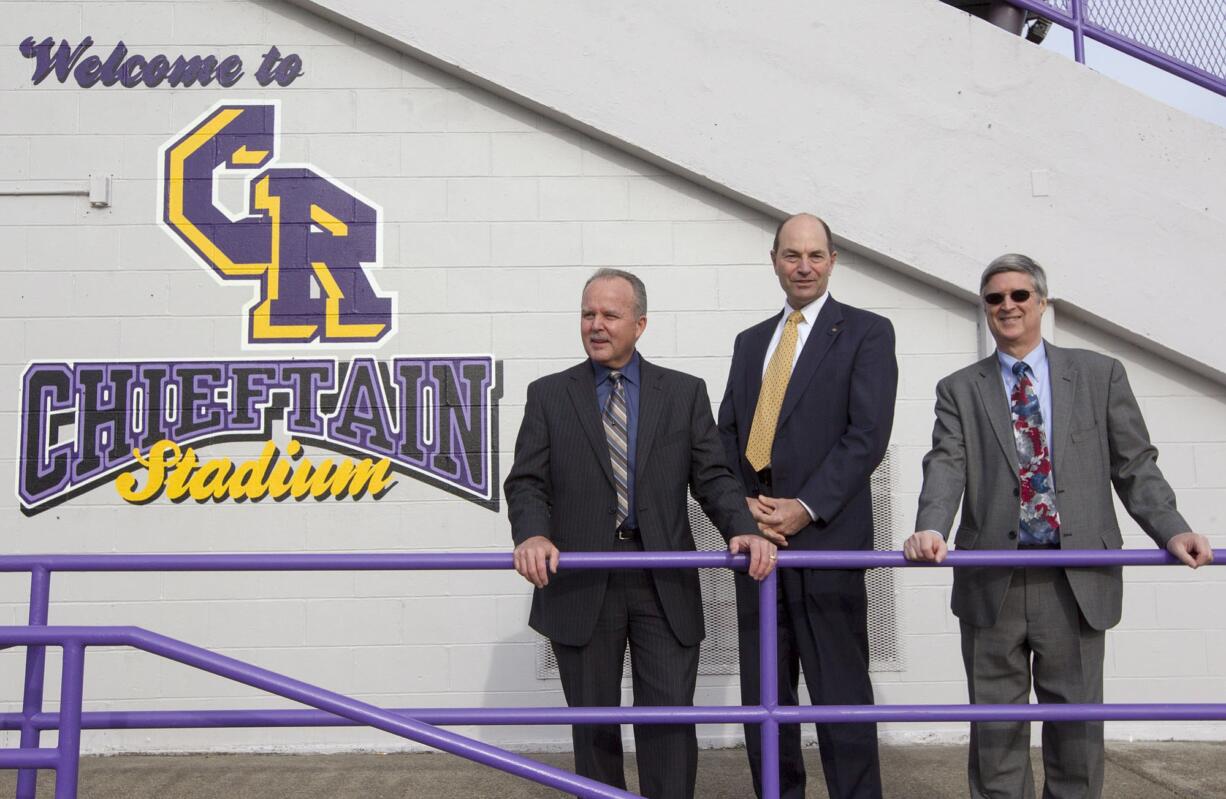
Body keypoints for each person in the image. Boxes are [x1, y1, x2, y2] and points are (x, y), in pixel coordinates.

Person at [903, 253, 1213, 799]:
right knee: (995, 733)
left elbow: (1134, 464)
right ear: (985, 308)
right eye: (995, 298)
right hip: (992, 577)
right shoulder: (960, 388)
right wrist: (931, 526)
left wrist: (1173, 530)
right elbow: (946, 463)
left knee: (1076, 730)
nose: (1008, 306)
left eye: (1019, 295)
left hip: (1075, 579)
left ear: (1042, 302)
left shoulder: (1098, 375)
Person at [505, 268, 776, 799]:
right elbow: (527, 483)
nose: (596, 325)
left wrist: (742, 529)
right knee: (594, 726)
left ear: (640, 324)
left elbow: (715, 478)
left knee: (670, 722)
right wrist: (532, 535)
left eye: (610, 314)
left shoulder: (683, 393)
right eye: (588, 314)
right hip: (581, 583)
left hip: (663, 582)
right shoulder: (548, 395)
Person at [718, 214, 897, 799]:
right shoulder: (750, 343)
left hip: (826, 548)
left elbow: (866, 436)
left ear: (833, 261)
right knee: (765, 703)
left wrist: (804, 506)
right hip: (759, 551)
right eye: (792, 255)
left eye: (815, 256)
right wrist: (744, 515)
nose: (803, 266)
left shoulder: (868, 333)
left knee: (841, 699)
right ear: (774, 260)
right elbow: (727, 437)